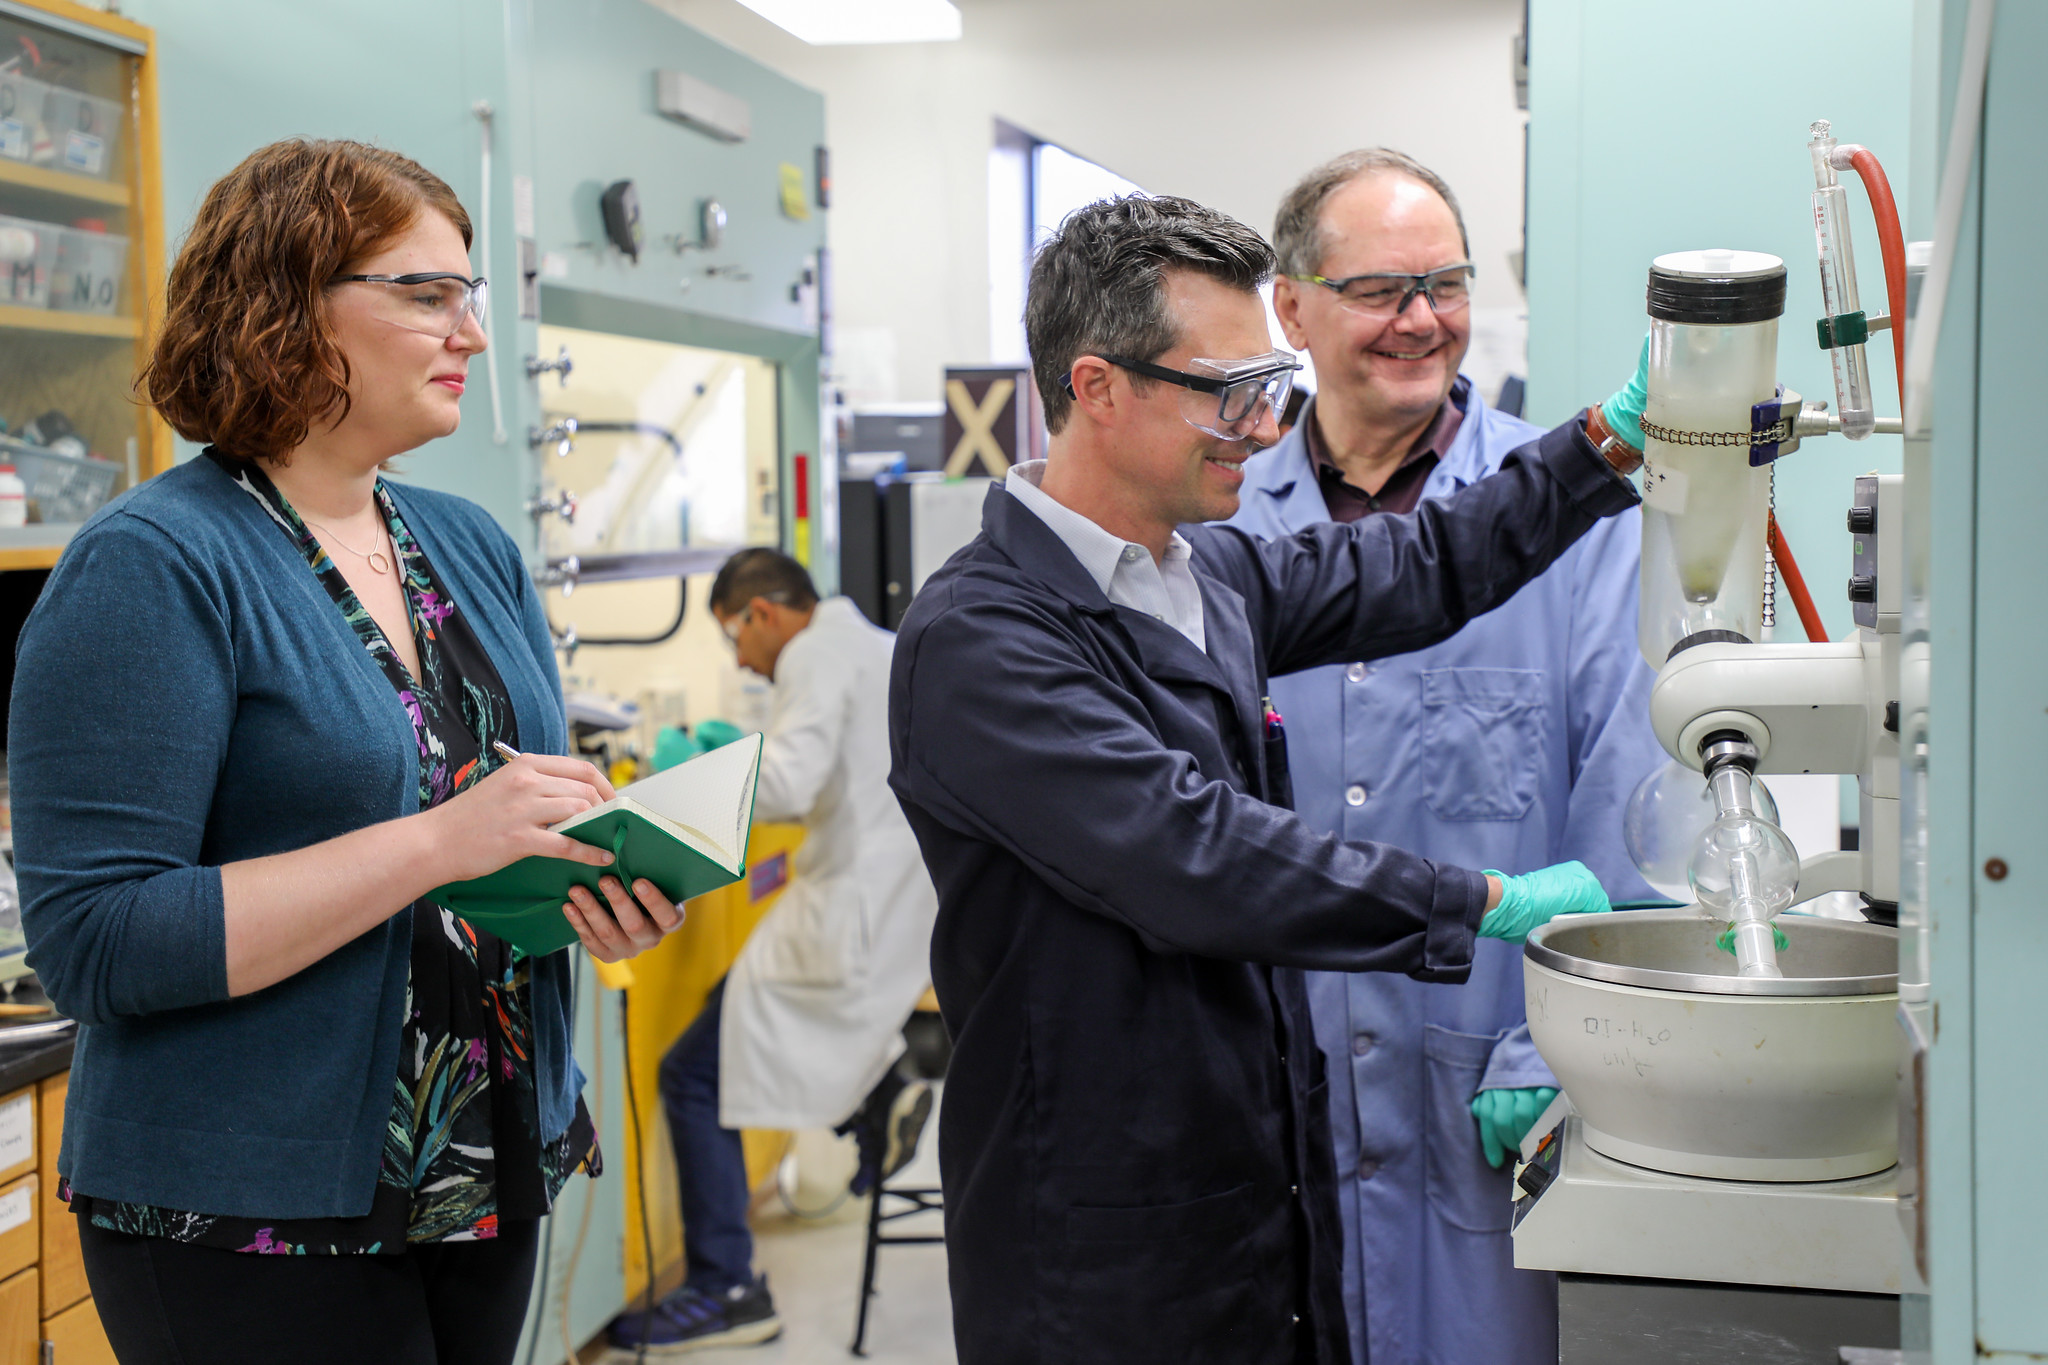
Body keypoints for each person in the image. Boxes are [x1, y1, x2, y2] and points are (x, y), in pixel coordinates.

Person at [886, 194, 1648, 1365]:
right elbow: (1196, 855)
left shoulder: (1206, 571)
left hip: (1255, 1200)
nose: (1257, 422)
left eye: (1267, 384)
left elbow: (1422, 565)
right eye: (1225, 388)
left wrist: (1603, 446)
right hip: (1098, 1247)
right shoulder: (982, 638)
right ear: (1096, 387)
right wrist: (1481, 904)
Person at [8, 140, 686, 1365]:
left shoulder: (467, 544)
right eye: (426, 294)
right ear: (282, 307)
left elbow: (489, 856)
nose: (469, 334)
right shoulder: (155, 566)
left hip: (479, 1166)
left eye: (469, 296)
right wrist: (438, 842)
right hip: (248, 1209)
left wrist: (592, 886)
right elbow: (95, 943)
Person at [1227, 149, 1665, 1365]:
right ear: (1292, 306)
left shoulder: (1577, 523)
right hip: (1279, 1094)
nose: (1420, 321)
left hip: (1494, 1084)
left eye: (1445, 284)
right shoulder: (1222, 533)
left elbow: (1627, 812)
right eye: (1378, 289)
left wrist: (1553, 1044)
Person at [608, 549, 940, 1355]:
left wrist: (685, 783)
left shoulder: (816, 651)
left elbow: (789, 782)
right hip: (893, 913)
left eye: (734, 638)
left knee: (690, 1075)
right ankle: (879, 1085)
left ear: (760, 612)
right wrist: (745, 749)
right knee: (741, 1042)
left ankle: (725, 1282)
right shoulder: (871, 642)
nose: (739, 661)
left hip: (847, 918)